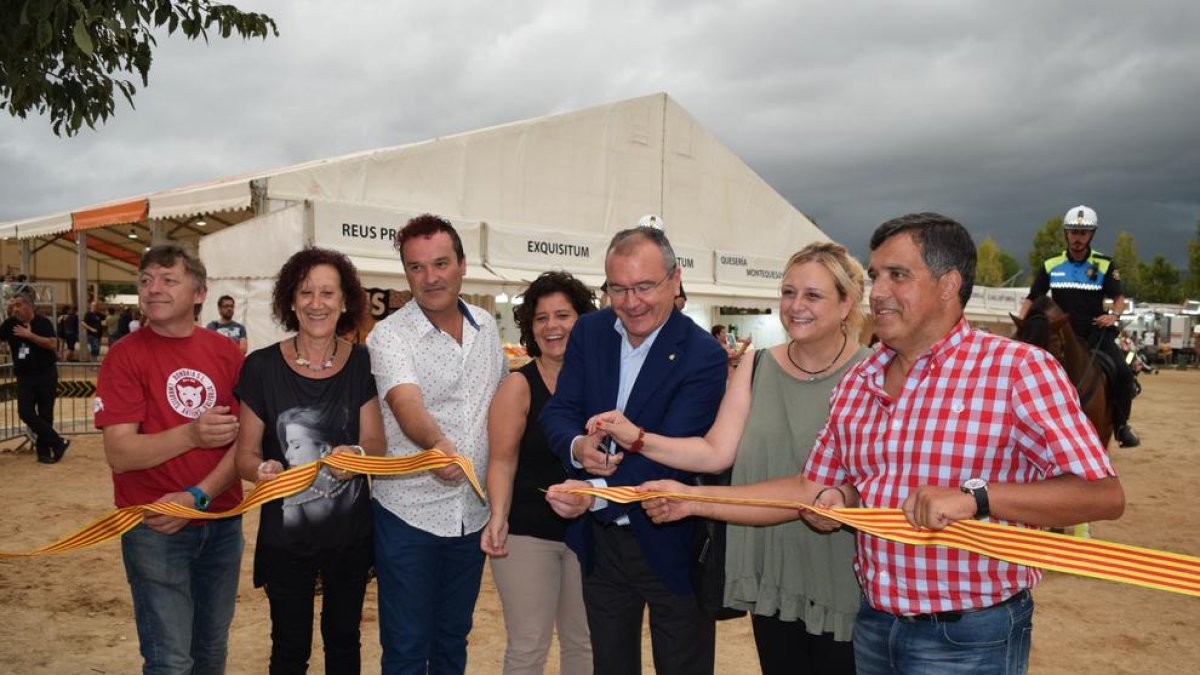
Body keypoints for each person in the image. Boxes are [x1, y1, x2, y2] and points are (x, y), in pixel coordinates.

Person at [640, 213, 1125, 675]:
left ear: (949, 284)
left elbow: (1102, 495)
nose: (880, 293)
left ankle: (1124, 409)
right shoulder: (859, 382)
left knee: (1117, 373)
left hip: (969, 633)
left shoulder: (1017, 369)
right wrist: (696, 499)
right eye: (876, 276)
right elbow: (812, 486)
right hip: (872, 624)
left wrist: (975, 498)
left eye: (899, 275)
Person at [591, 242, 868, 674]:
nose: (795, 306)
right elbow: (715, 450)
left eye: (813, 295)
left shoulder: (872, 374)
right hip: (769, 567)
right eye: (788, 292)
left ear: (847, 303)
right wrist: (638, 438)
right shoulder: (756, 366)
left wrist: (690, 499)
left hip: (842, 570)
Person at [541, 226, 727, 675]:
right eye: (618, 289)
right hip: (602, 544)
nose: (631, 302)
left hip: (672, 539)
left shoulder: (702, 354)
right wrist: (578, 445)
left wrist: (596, 491)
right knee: (610, 664)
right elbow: (559, 410)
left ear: (675, 280)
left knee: (683, 662)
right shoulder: (590, 331)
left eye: (644, 286)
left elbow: (672, 451)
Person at [94, 244, 245, 674]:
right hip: (154, 527)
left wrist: (198, 495)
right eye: (145, 280)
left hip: (220, 522)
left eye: (167, 280)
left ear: (199, 293)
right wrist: (192, 434)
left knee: (211, 652)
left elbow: (245, 441)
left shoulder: (225, 353)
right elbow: (119, 453)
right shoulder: (125, 355)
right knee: (171, 661)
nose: (153, 289)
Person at [366, 213, 507, 675]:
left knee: (452, 641)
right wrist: (437, 444)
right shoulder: (389, 335)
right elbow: (406, 405)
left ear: (463, 265)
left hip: (472, 514)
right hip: (408, 514)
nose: (430, 278)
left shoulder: (487, 328)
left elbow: (501, 407)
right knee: (406, 648)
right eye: (416, 267)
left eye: (441, 263)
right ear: (405, 273)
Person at [234, 247, 384, 674]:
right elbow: (244, 454)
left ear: (344, 301)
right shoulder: (260, 368)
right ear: (290, 300)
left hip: (349, 538)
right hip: (286, 541)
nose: (316, 303)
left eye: (327, 293)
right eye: (306, 293)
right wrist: (260, 470)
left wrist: (355, 455)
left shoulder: (361, 365)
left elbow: (375, 444)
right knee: (288, 647)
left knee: (343, 643)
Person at [481, 271, 596, 675]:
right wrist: (497, 515)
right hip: (527, 535)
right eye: (541, 318)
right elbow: (501, 459)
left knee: (585, 643)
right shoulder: (519, 385)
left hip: (590, 532)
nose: (552, 326)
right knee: (529, 645)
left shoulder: (601, 383)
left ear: (583, 320)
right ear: (530, 327)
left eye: (563, 315)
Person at [1019, 205, 1140, 447]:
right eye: (1073, 232)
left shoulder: (1105, 264)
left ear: (1091, 235)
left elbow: (1119, 298)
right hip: (1060, 335)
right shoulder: (1052, 264)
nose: (1077, 238)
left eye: (1083, 233)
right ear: (1066, 233)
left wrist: (1114, 316)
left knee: (1123, 372)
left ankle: (1120, 425)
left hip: (1096, 333)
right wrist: (1023, 324)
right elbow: (1032, 297)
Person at [1, 293, 69, 464]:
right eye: (13, 305)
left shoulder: (42, 322)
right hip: (24, 376)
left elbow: (52, 344)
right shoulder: (9, 324)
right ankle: (58, 442)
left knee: (46, 414)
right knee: (25, 412)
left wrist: (29, 335)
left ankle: (44, 452)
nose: (14, 308)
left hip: (46, 374)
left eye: (18, 304)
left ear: (29, 306)